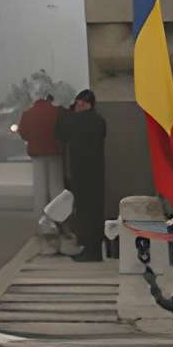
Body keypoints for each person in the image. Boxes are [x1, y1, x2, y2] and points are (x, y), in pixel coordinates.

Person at [55, 89, 108, 263]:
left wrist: (69, 111)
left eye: (79, 104)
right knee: (95, 212)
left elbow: (60, 133)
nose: (77, 107)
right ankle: (95, 250)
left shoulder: (74, 121)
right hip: (96, 173)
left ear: (86, 104)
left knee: (84, 213)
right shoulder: (99, 121)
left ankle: (88, 250)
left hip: (80, 172)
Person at [18, 91, 65, 235]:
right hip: (55, 152)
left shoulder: (28, 113)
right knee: (56, 188)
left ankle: (41, 223)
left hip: (37, 153)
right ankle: (59, 221)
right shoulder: (58, 112)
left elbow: (23, 132)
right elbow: (63, 131)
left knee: (40, 189)